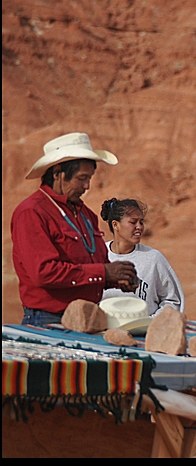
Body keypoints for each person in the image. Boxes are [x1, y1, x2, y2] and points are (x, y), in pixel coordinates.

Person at [11, 132, 138, 326]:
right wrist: (104, 273)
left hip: (88, 317)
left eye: (90, 178)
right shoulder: (32, 212)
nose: (87, 186)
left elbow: (93, 264)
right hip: (49, 319)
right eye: (82, 178)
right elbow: (43, 272)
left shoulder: (85, 214)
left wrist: (116, 278)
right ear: (58, 174)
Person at [100, 198, 185, 318]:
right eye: (133, 222)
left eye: (141, 222)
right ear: (115, 225)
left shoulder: (153, 258)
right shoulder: (98, 256)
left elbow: (173, 300)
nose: (139, 227)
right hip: (102, 333)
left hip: (145, 334)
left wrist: (150, 323)